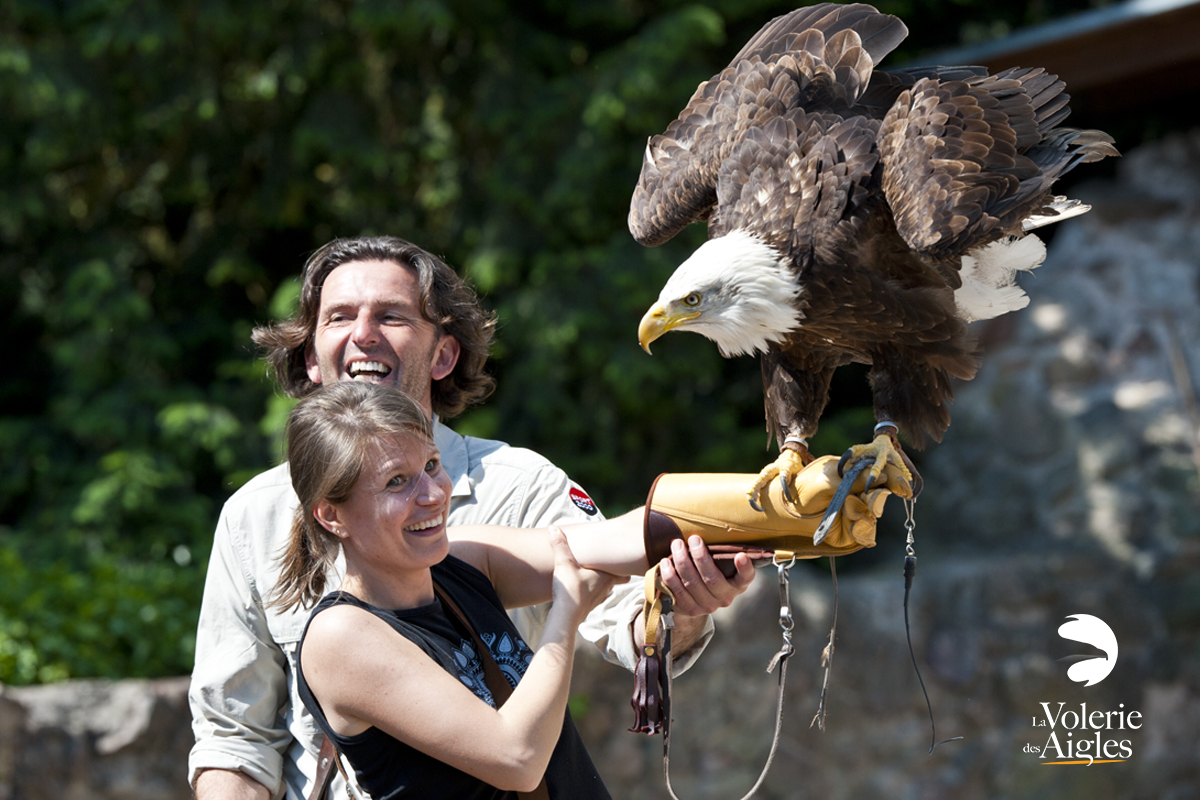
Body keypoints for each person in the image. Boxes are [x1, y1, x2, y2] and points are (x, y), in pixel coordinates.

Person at [188, 236, 755, 800]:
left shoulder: (506, 499)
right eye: (339, 316)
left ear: (443, 354)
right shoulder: (259, 523)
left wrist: (759, 520)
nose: (363, 333)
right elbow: (233, 738)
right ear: (311, 355)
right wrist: (563, 612)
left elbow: (621, 570)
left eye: (391, 315)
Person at [282, 381, 665, 798]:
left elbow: (618, 540)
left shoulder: (463, 561)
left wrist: (738, 525)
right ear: (331, 515)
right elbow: (518, 759)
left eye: (431, 465)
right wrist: (565, 615)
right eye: (396, 482)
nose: (433, 494)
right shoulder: (340, 636)